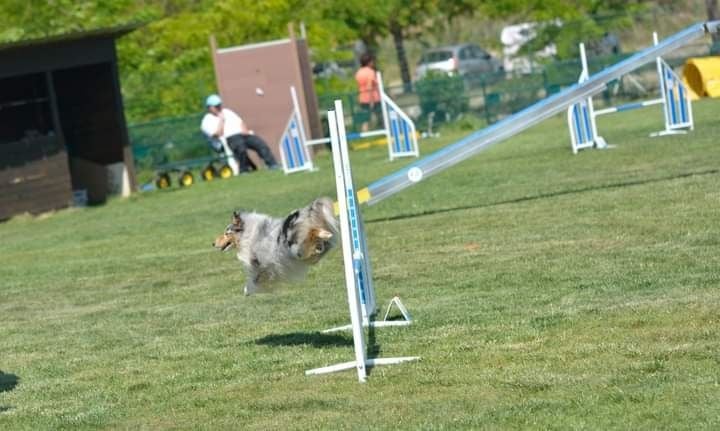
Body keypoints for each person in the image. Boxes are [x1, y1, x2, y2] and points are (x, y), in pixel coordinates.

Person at [200, 94, 279, 173]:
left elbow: (240, 122)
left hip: (242, 134)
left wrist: (245, 131)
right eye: (216, 106)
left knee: (259, 143)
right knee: (240, 147)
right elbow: (217, 134)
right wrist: (221, 120)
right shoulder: (207, 120)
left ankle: (272, 164)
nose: (219, 107)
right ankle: (243, 170)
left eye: (219, 105)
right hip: (228, 138)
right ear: (209, 108)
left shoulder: (227, 111)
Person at [354, 53, 382, 133]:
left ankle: (365, 132)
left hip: (362, 97)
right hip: (374, 97)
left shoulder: (358, 72)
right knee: (380, 115)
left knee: (365, 117)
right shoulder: (371, 72)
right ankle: (381, 130)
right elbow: (369, 87)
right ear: (369, 62)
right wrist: (371, 101)